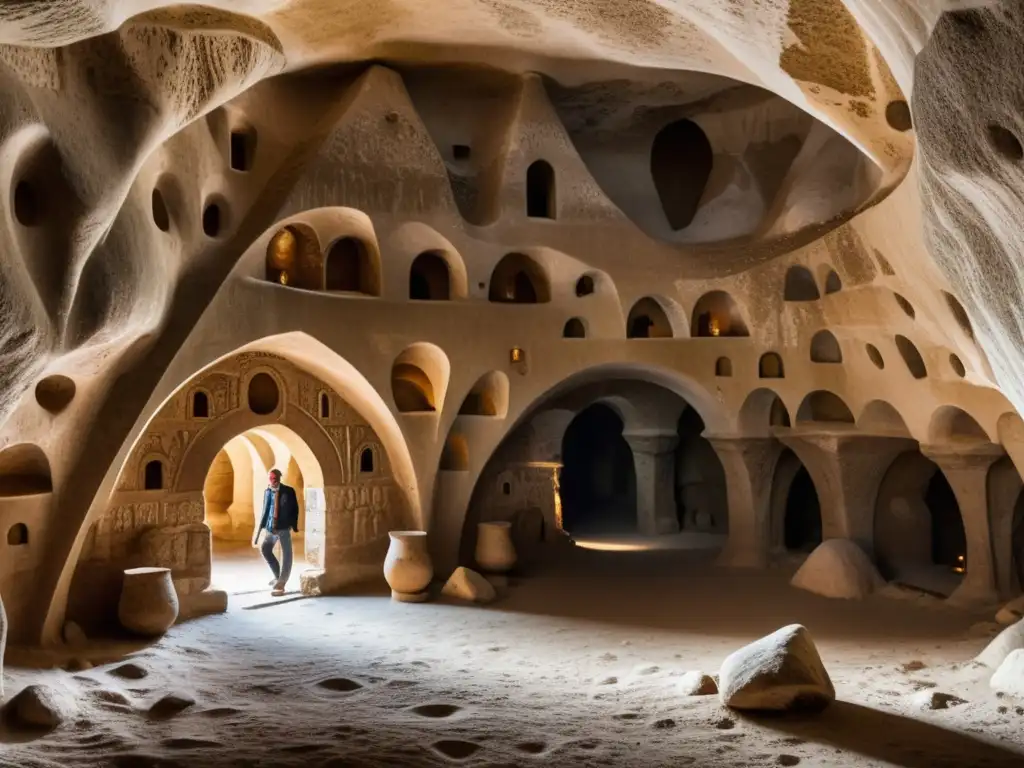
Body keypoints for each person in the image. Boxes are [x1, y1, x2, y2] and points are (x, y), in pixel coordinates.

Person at [253, 468, 300, 596]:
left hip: (283, 527)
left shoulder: (288, 491)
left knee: (287, 555)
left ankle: (282, 582)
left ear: (279, 478)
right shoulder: (267, 492)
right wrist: (261, 527)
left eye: (275, 478)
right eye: (271, 478)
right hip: (271, 527)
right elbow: (265, 510)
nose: (273, 481)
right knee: (266, 549)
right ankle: (277, 575)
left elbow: (295, 509)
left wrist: (292, 525)